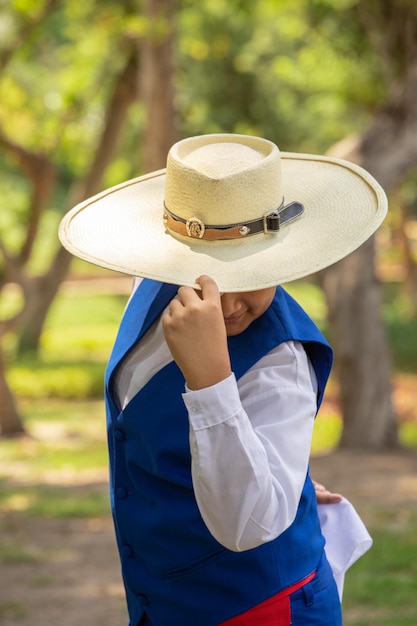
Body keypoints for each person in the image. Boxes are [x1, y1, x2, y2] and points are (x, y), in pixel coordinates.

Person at [59, 134, 386, 626]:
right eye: (202, 272)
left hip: (258, 608)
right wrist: (264, 459)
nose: (227, 303)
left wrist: (211, 379)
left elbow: (249, 525)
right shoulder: (148, 280)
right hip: (165, 602)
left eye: (248, 273)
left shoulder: (281, 362)